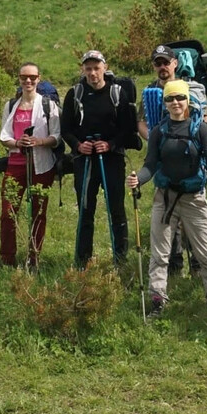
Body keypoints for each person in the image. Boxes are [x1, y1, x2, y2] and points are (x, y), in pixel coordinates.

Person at [128, 79, 207, 318]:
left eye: (180, 98)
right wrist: (138, 179)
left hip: (194, 198)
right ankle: (157, 300)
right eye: (170, 98)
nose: (175, 102)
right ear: (165, 103)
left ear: (188, 100)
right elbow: (150, 164)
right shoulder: (158, 131)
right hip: (164, 198)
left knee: (205, 252)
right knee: (160, 253)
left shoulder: (200, 129)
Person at [137, 44, 207, 276]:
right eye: (157, 63)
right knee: (168, 212)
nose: (162, 67)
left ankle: (198, 264)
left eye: (166, 62)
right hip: (163, 161)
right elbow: (141, 122)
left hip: (191, 161)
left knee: (192, 212)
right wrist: (155, 140)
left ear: (175, 63)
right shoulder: (150, 92)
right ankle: (174, 264)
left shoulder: (193, 89)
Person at [61, 50, 139, 267]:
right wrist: (78, 145)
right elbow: (65, 129)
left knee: (116, 208)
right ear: (83, 70)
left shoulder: (117, 93)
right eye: (88, 68)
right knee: (85, 209)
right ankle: (82, 262)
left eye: (96, 68)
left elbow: (127, 128)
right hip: (83, 158)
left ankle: (120, 260)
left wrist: (111, 144)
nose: (93, 73)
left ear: (105, 67)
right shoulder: (74, 94)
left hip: (112, 159)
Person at [0, 62, 61, 269]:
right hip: (15, 164)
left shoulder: (48, 105)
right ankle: (7, 259)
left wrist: (39, 141)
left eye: (32, 77)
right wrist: (18, 143)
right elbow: (4, 136)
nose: (28, 81)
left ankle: (34, 257)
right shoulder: (10, 105)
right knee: (8, 213)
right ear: (19, 78)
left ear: (38, 79)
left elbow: (56, 136)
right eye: (24, 77)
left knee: (38, 213)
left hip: (41, 166)